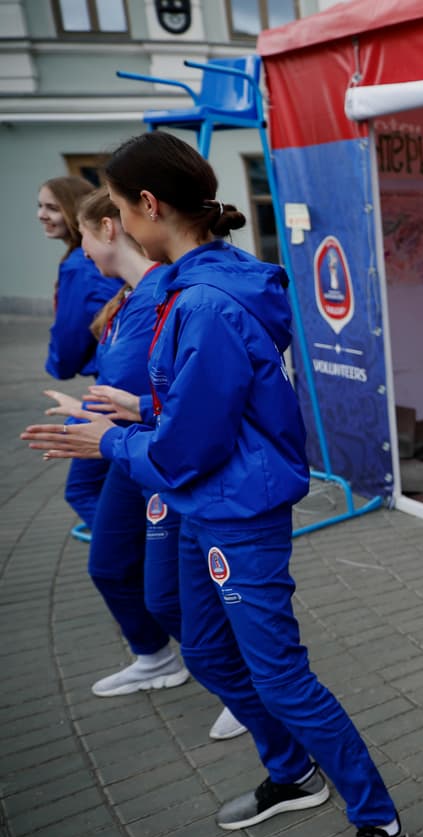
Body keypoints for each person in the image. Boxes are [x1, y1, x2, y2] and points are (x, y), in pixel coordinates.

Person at [20, 132, 408, 837]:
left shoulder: (204, 301)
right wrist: (136, 409)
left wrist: (105, 439)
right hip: (210, 500)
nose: (116, 228)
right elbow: (212, 405)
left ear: (147, 205)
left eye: (117, 210)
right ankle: (291, 771)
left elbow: (186, 450)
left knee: (282, 676)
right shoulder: (203, 282)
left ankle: (377, 815)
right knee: (200, 647)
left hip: (235, 508)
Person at [39, 188, 246, 740]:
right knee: (125, 572)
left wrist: (111, 418)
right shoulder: (141, 294)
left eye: (81, 233)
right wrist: (97, 410)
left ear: (117, 223)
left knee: (179, 600)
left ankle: (246, 692)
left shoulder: (183, 293)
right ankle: (172, 661)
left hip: (162, 462)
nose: (80, 249)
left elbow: (182, 399)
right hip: (139, 451)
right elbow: (145, 390)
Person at [37, 175, 120, 531]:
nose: (42, 215)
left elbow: (70, 337)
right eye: (40, 206)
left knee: (84, 489)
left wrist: (58, 364)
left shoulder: (78, 266)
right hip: (123, 382)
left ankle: (131, 559)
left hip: (112, 385)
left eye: (52, 207)